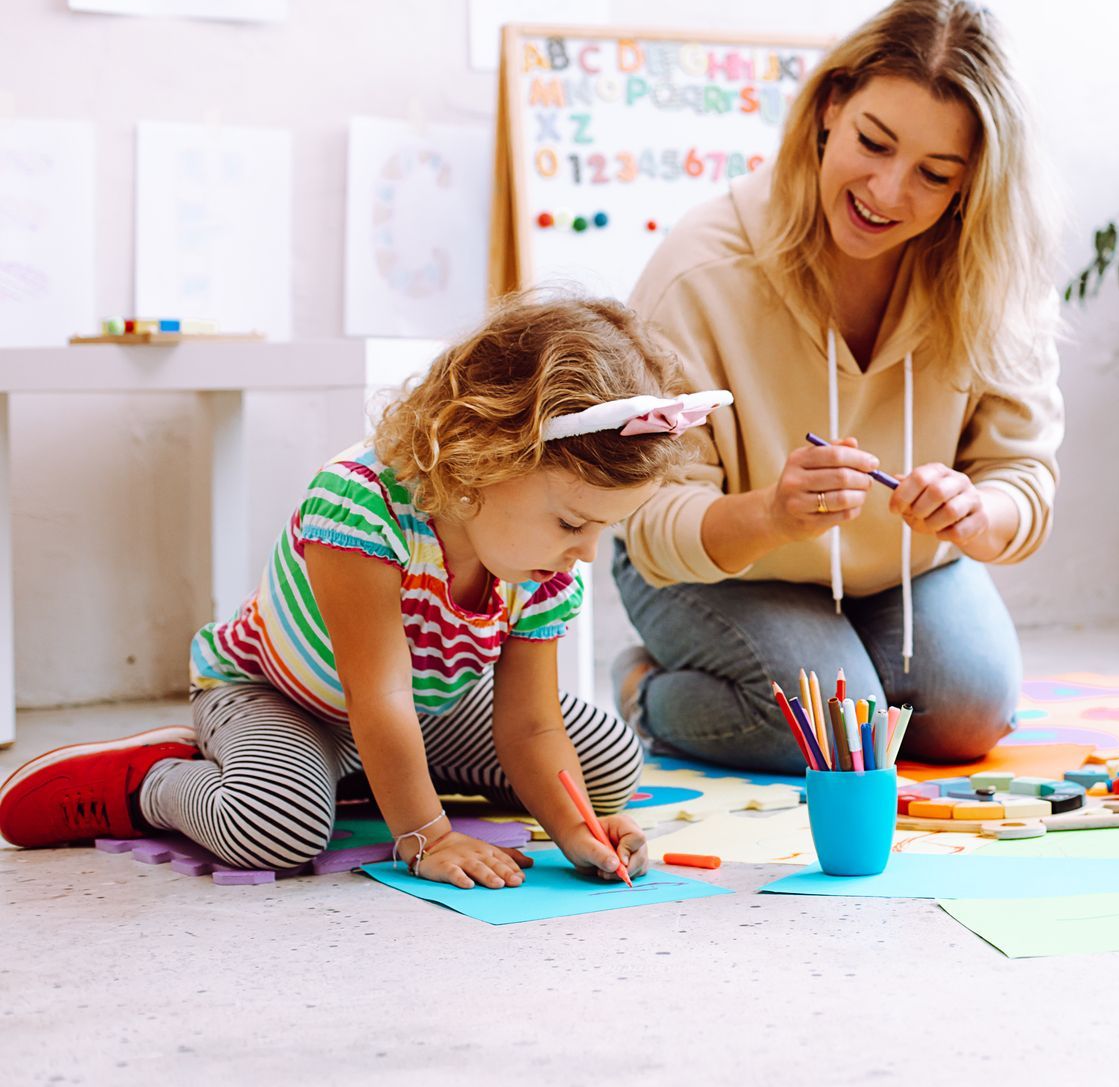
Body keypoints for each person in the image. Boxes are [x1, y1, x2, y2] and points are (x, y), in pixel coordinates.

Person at [0, 295, 696, 888]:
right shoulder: (359, 505)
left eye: (602, 530)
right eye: (574, 522)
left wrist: (579, 833)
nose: (585, 554)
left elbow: (532, 726)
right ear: (483, 456)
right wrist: (427, 835)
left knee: (606, 760)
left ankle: (359, 779)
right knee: (278, 829)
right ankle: (153, 782)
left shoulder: (541, 563)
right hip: (285, 697)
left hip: (420, 710)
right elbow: (377, 696)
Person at [612, 0, 1063, 774]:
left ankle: (838, 659)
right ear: (829, 107)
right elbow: (649, 517)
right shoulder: (700, 269)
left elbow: (1021, 478)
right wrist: (771, 513)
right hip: (715, 567)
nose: (888, 193)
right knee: (830, 735)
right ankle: (643, 690)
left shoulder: (993, 273)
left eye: (935, 174)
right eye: (874, 143)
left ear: (971, 186)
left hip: (898, 569)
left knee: (971, 715)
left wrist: (976, 514)